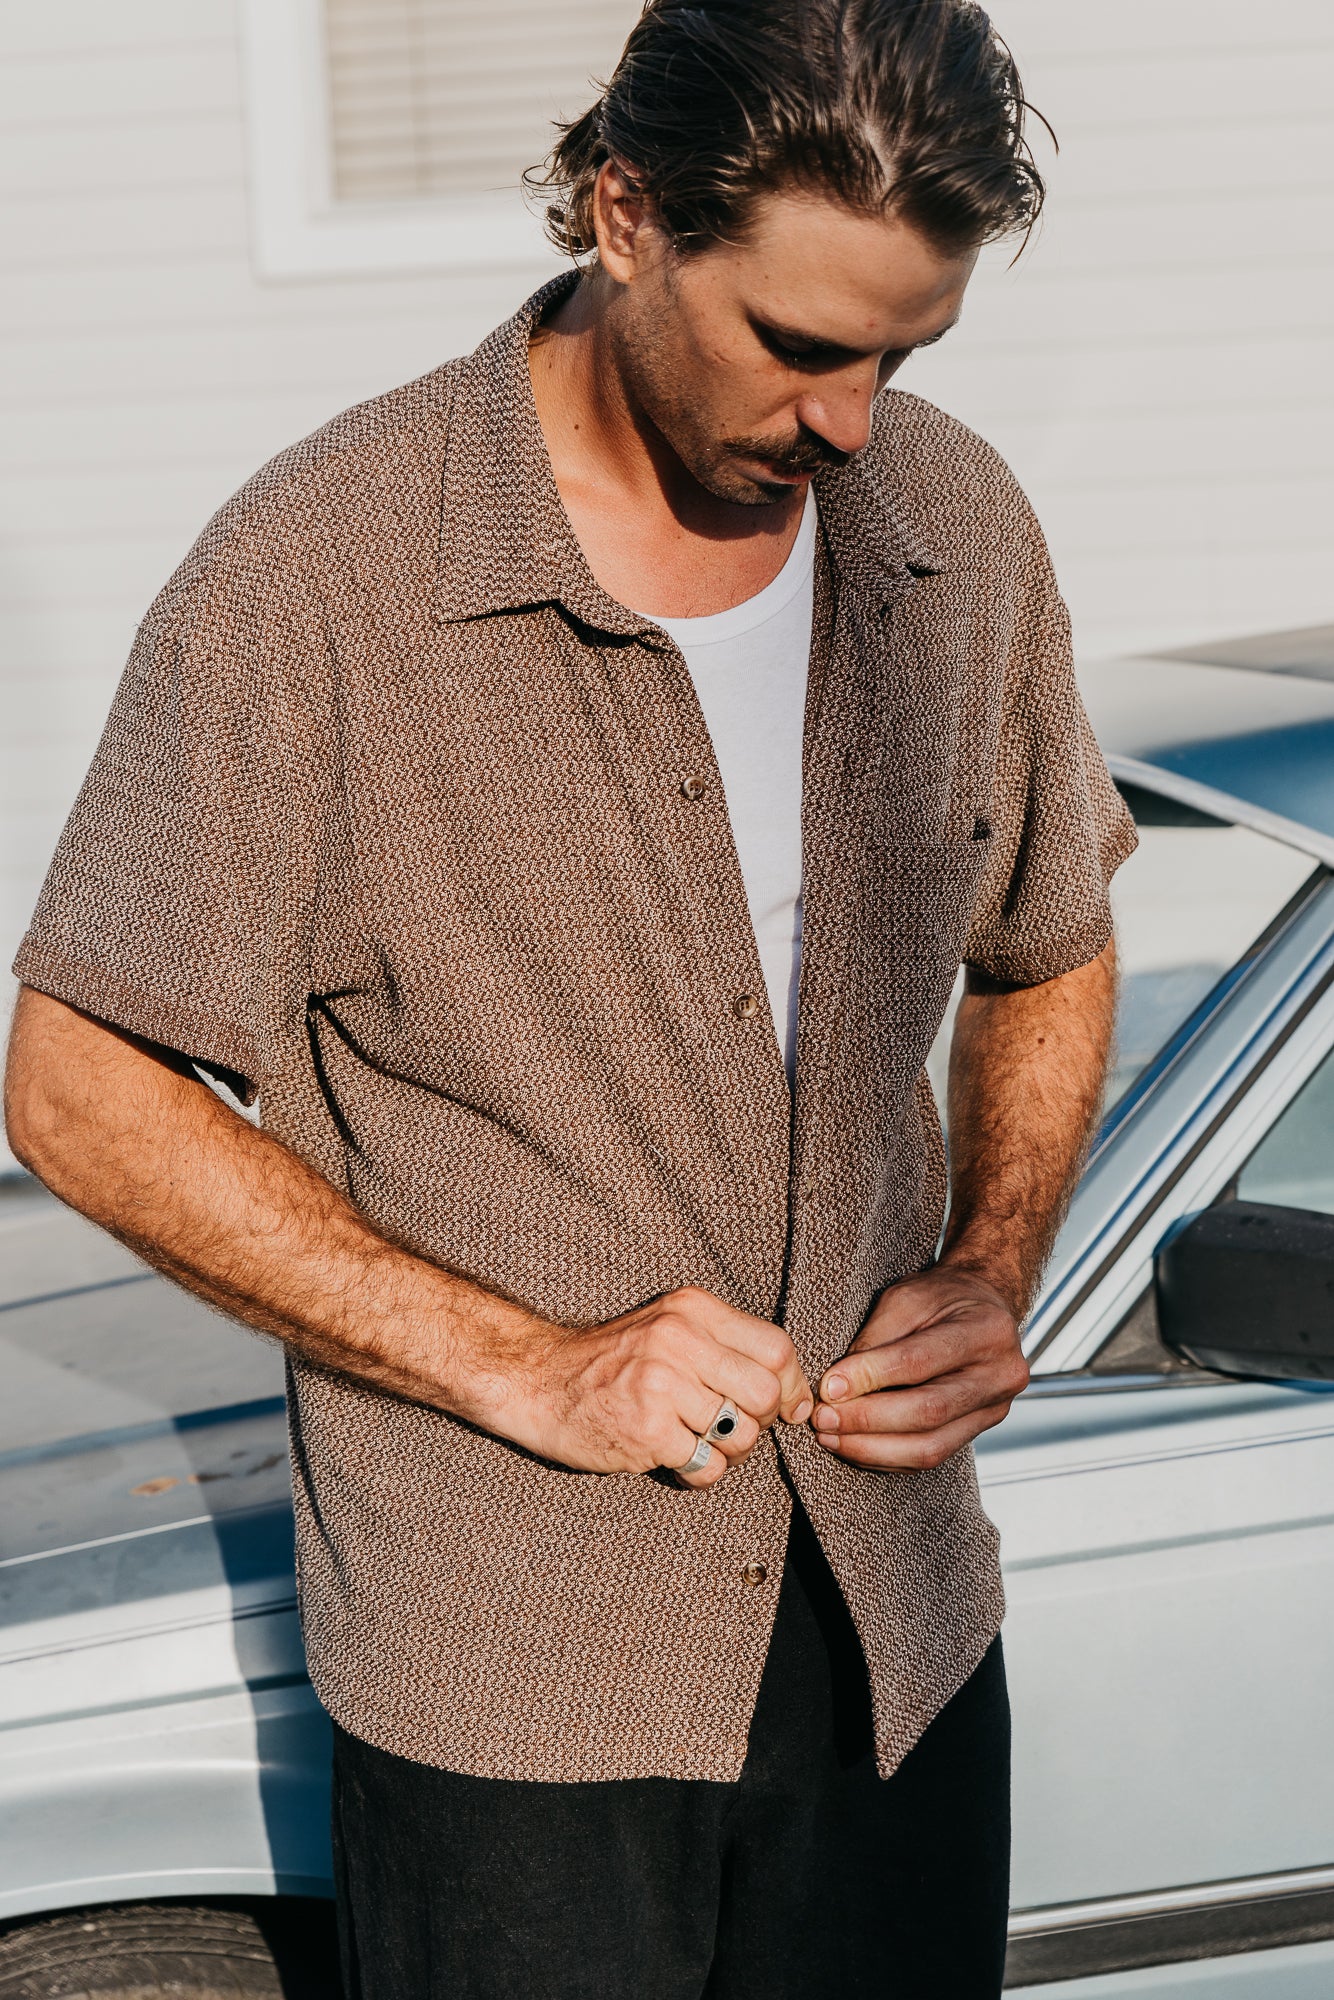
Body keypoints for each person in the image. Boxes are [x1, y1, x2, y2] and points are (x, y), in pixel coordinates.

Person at [4, 1, 1136, 1993]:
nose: (851, 421)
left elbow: (1048, 943)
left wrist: (995, 1264)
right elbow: (80, 1083)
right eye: (798, 343)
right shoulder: (319, 576)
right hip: (512, 1678)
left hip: (896, 1642)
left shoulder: (954, 528)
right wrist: (523, 1365)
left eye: (900, 355)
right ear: (625, 216)